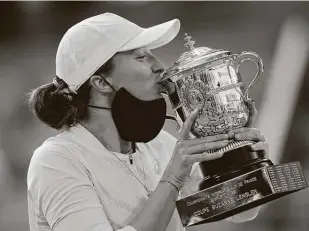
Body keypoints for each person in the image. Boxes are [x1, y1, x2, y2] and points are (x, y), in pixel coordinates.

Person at [26, 13, 269, 231]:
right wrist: (172, 180)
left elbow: (241, 210)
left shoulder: (160, 145)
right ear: (100, 82)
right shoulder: (56, 161)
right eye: (142, 57)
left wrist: (240, 154)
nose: (159, 67)